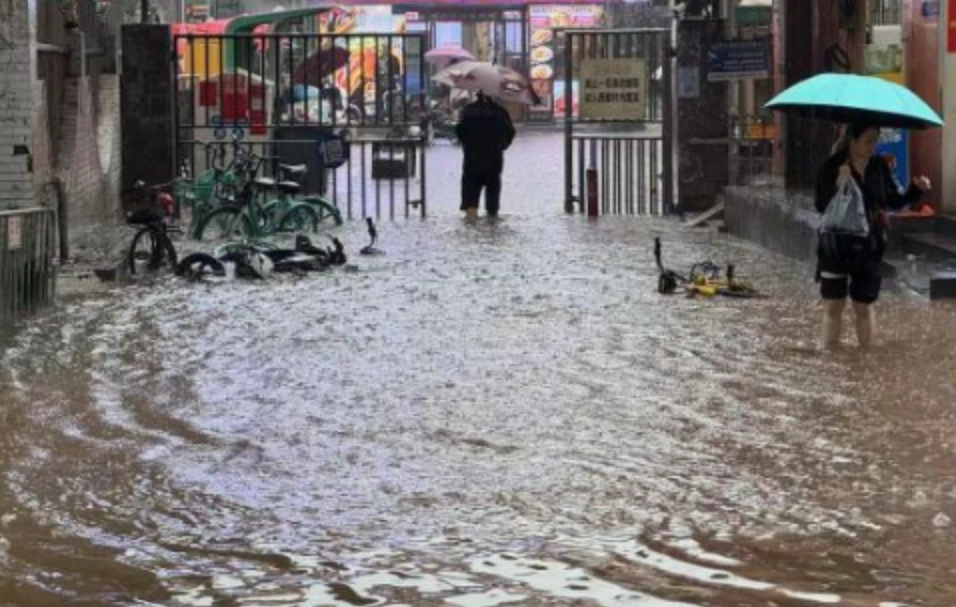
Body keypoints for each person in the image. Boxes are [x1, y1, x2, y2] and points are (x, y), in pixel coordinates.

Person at [814, 121, 932, 349]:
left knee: (864, 306)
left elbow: (893, 201)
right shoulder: (832, 166)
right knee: (833, 306)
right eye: (868, 140)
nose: (873, 145)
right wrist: (838, 184)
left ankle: (866, 358)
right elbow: (820, 205)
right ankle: (830, 358)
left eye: (875, 140)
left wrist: (915, 190)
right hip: (835, 247)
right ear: (852, 139)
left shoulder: (879, 166)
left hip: (868, 248)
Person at [455, 92, 516, 221]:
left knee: (471, 190)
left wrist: (467, 144)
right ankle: (492, 219)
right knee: (492, 191)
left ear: (477, 95)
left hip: (472, 158)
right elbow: (510, 132)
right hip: (493, 158)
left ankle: (471, 219)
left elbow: (459, 131)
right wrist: (502, 145)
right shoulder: (500, 112)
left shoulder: (468, 111)